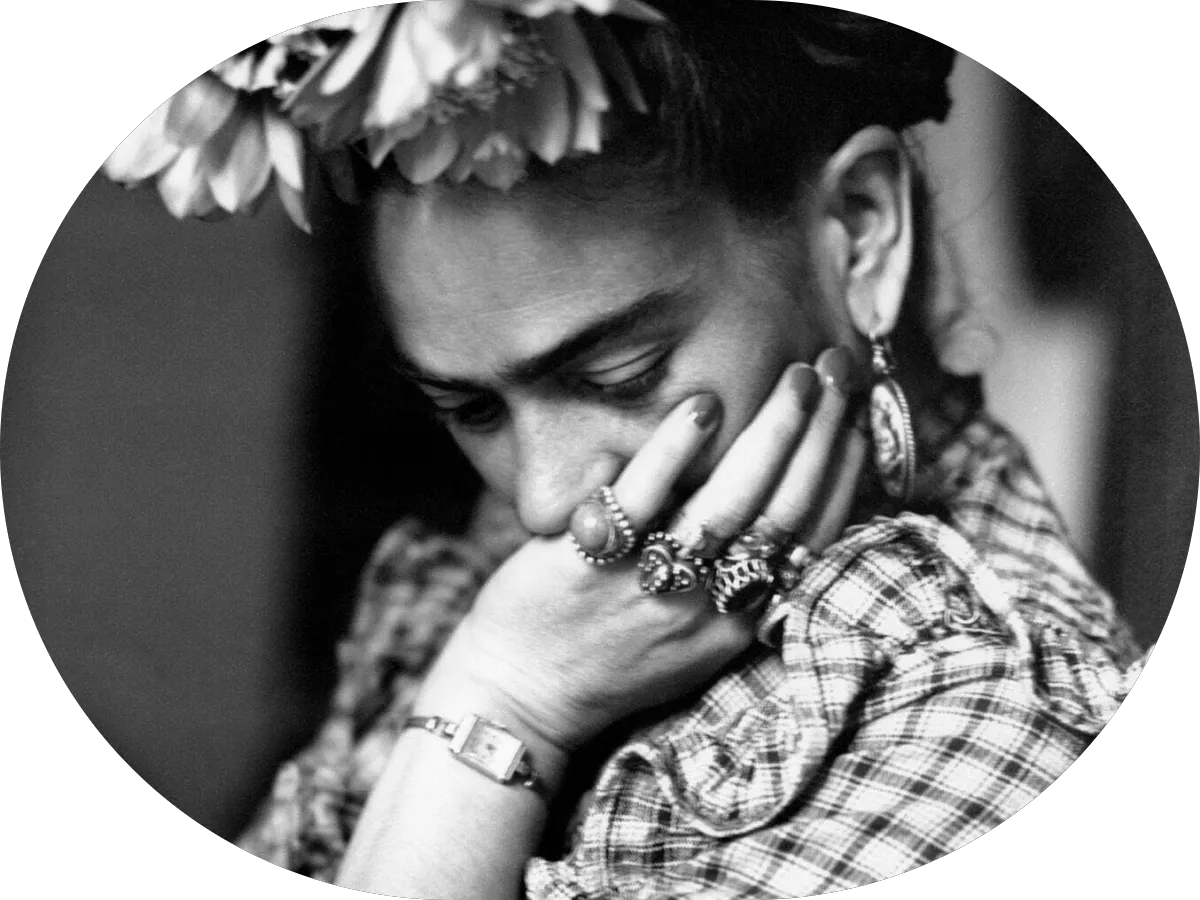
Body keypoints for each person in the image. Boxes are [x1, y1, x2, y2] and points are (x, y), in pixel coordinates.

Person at [102, 2, 1151, 896]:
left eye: (618, 376)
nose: (546, 499)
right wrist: (496, 688)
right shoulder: (496, 598)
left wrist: (504, 709)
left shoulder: (984, 730)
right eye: (471, 410)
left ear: (862, 228)